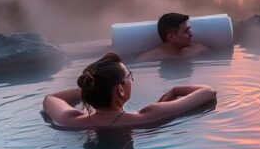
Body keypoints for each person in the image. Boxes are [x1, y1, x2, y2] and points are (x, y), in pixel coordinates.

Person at [42, 52, 216, 129]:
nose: (132, 80)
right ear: (120, 90)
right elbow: (208, 92)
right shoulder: (147, 116)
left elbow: (50, 98)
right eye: (129, 76)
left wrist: (92, 89)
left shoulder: (70, 120)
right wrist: (176, 89)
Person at [137, 12, 211, 61]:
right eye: (186, 31)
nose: (191, 34)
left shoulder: (200, 50)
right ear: (171, 37)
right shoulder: (149, 59)